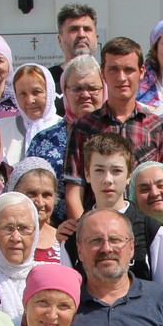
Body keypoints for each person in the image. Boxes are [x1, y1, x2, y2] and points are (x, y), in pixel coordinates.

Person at [64, 36, 163, 221]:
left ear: (141, 72)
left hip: (146, 231)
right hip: (99, 230)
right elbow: (74, 189)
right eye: (113, 69)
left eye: (128, 70)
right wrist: (85, 231)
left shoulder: (159, 128)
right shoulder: (84, 127)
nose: (121, 77)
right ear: (102, 72)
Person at [62, 133, 163, 281]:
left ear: (129, 175)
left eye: (116, 171)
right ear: (87, 174)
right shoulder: (72, 235)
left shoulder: (150, 230)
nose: (107, 180)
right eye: (99, 170)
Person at [27, 55, 104, 222]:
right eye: (77, 89)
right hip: (55, 232)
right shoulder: (43, 140)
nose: (85, 94)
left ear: (103, 89)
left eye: (92, 88)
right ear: (64, 92)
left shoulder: (115, 133)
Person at [0, 191, 39, 326]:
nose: (16, 237)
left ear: (35, 232)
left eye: (24, 228)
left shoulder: (45, 279)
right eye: (7, 228)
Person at [2, 159, 65, 265]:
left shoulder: (63, 242)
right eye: (31, 194)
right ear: (13, 193)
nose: (40, 202)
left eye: (46, 195)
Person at [0, 63, 60, 165]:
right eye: (22, 94)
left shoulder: (66, 129)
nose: (30, 100)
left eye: (36, 92)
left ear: (49, 91)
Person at [48, 3, 99, 105]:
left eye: (87, 29)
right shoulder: (46, 80)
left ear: (96, 37)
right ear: (60, 39)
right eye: (74, 29)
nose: (81, 34)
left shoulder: (107, 77)